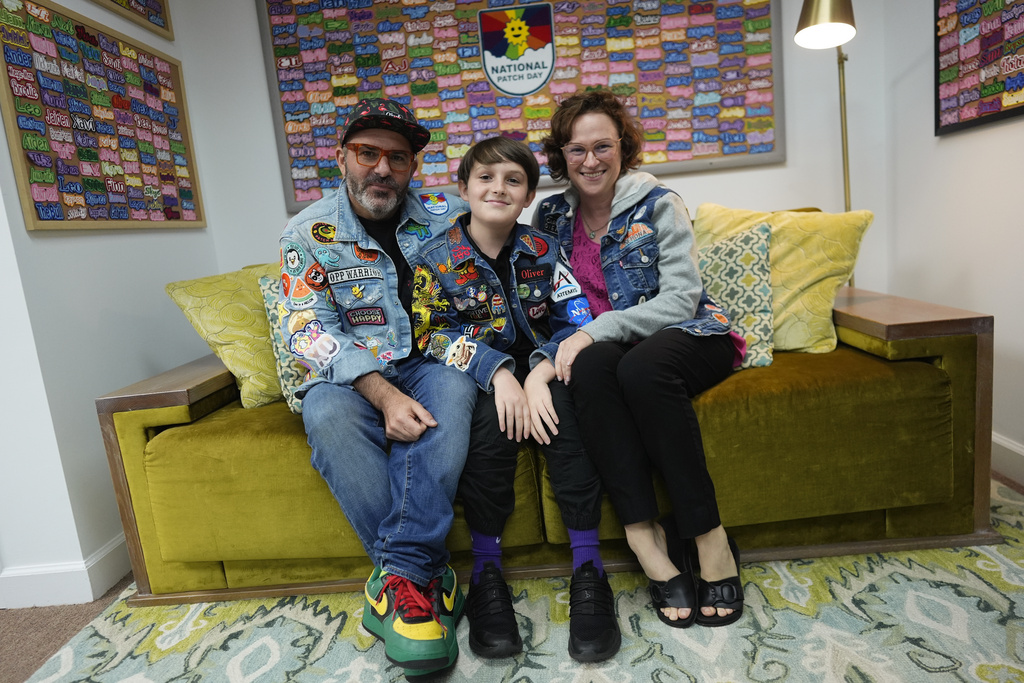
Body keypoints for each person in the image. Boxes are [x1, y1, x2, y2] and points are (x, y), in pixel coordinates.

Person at [276, 98, 475, 676]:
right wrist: (382, 395)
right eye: (369, 154)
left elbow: (507, 257)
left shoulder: (448, 213)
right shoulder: (307, 232)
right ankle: (427, 579)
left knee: (456, 394)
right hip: (350, 375)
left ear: (413, 167)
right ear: (343, 158)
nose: (382, 169)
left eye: (398, 158)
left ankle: (399, 585)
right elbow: (305, 328)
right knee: (328, 415)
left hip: (432, 361)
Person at [536, 89, 747, 630]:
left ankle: (709, 539)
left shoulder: (658, 203)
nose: (590, 160)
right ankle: (643, 536)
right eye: (575, 148)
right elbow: (543, 303)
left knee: (640, 366)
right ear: (561, 154)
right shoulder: (551, 216)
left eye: (602, 146)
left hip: (688, 333)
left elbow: (680, 298)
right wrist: (548, 357)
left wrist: (595, 331)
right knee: (590, 367)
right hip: (607, 352)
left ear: (623, 148)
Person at [412, 136, 619, 662]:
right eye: (485, 177)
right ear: (463, 188)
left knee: (566, 418)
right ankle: (486, 574)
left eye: (513, 180)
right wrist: (498, 371)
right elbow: (426, 334)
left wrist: (538, 373)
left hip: (544, 371)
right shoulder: (433, 259)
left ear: (528, 196)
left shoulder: (545, 251)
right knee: (487, 429)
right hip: (482, 380)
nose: (498, 188)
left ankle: (588, 568)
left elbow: (577, 318)